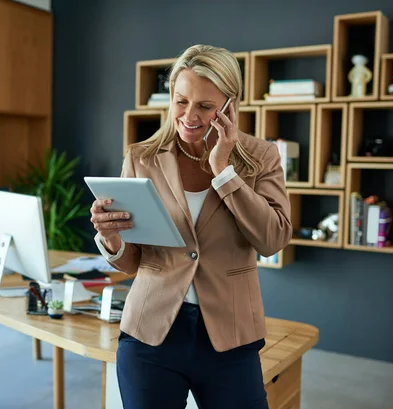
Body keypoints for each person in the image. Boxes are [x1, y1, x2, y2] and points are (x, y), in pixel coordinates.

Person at [90, 44, 292, 409]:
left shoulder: (261, 156)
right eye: (181, 101)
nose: (189, 115)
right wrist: (111, 238)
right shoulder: (142, 157)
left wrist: (224, 171)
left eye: (205, 105)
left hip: (230, 336)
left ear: (230, 105)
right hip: (151, 333)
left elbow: (273, 239)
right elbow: (133, 261)